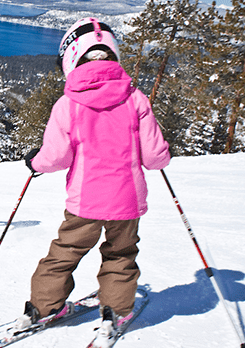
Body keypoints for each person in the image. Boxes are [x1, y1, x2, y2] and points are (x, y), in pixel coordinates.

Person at [15, 18, 171, 340]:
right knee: (120, 254)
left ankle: (43, 309)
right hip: (127, 200)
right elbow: (155, 158)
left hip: (85, 200)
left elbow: (56, 157)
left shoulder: (68, 104)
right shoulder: (136, 99)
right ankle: (116, 312)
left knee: (64, 252)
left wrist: (35, 162)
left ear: (71, 57)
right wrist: (166, 152)